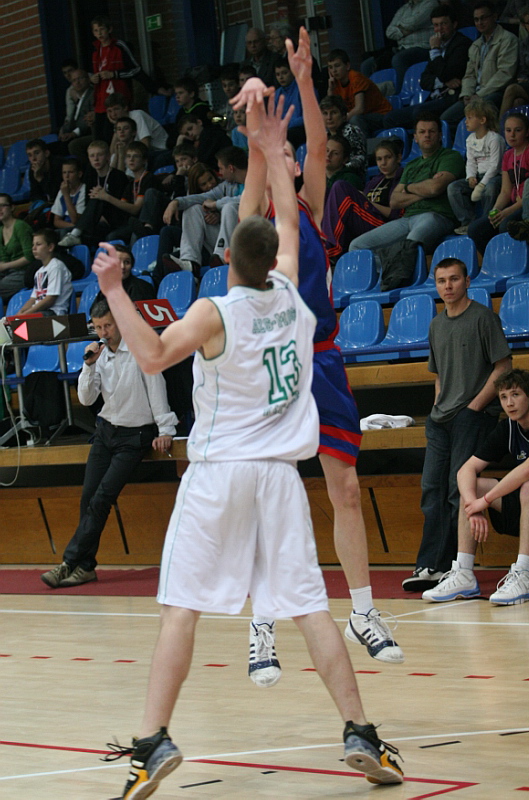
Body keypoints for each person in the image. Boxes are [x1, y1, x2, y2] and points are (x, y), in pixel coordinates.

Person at [93, 91, 404, 799]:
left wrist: (113, 289)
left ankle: (153, 740)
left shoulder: (213, 311)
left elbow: (151, 357)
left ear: (228, 255)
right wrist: (267, 146)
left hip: (219, 475)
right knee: (310, 608)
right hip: (279, 479)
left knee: (181, 608)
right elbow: (288, 221)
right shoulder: (293, 296)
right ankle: (360, 732)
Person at [233, 28, 405, 680]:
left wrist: (304, 81)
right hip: (274, 364)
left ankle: (362, 611)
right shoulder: (254, 216)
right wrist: (258, 124)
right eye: (281, 152)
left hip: (324, 359)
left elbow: (319, 142)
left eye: (293, 152)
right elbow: (261, 164)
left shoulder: (309, 204)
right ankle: (261, 625)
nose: (291, 156)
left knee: (347, 490)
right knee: (269, 498)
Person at [41, 296, 177, 590]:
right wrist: (88, 366)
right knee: (88, 498)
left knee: (102, 499)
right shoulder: (99, 355)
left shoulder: (139, 348)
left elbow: (157, 388)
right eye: (99, 327)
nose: (104, 332)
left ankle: (69, 562)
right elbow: (86, 399)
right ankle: (86, 567)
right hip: (105, 432)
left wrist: (165, 428)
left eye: (108, 326)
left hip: (134, 436)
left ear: (119, 323)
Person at [402, 257, 511, 592]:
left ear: (467, 281)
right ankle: (430, 566)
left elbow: (504, 367)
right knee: (431, 489)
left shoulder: (483, 318)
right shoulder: (436, 325)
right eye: (441, 281)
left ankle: (455, 567)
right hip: (441, 419)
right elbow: (438, 375)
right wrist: (437, 406)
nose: (447, 286)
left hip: (473, 416)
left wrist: (474, 406)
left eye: (453, 279)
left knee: (456, 489)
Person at [422, 367, 529, 606]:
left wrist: (484, 501)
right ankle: (464, 573)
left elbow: (528, 469)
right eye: (503, 397)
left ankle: (524, 574)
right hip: (526, 508)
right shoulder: (508, 428)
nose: (509, 403)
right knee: (471, 486)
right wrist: (472, 506)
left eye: (515, 395)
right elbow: (465, 469)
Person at [349, 113, 465, 281]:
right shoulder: (411, 166)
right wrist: (424, 190)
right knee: (356, 246)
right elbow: (395, 201)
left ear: (440, 135)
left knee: (410, 243)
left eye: (432, 131)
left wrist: (409, 188)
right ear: (415, 137)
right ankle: (392, 268)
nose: (427, 135)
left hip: (437, 216)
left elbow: (435, 188)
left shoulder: (450, 157)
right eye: (422, 132)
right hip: (407, 219)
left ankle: (398, 275)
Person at [380, 4, 471, 130]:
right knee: (390, 118)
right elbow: (424, 80)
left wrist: (435, 50)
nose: (439, 29)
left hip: (451, 99)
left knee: (420, 113)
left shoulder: (462, 44)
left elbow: (446, 74)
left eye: (443, 24)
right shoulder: (438, 46)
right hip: (434, 98)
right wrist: (443, 82)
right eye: (436, 25)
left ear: (454, 24)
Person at [440, 2, 519, 133]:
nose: (480, 22)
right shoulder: (475, 45)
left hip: (496, 92)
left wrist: (479, 95)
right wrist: (466, 94)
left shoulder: (508, 39)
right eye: (476, 19)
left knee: (476, 118)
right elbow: (469, 75)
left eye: (483, 18)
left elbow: (505, 74)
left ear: (494, 17)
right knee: (445, 119)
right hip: (475, 95)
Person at [322, 137, 404, 262]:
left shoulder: (402, 180)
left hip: (385, 225)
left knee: (340, 187)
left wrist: (369, 202)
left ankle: (331, 249)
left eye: (388, 157)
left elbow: (396, 215)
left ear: (398, 158)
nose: (383, 163)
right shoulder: (374, 181)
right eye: (379, 159)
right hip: (366, 221)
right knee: (324, 193)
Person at [169, 146, 247, 275]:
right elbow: (203, 197)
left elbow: (247, 199)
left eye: (221, 168)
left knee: (229, 207)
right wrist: (176, 202)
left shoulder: (258, 180)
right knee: (193, 209)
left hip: (250, 239)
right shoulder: (228, 185)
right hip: (230, 241)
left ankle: (222, 258)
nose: (220, 173)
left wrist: (216, 204)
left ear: (231, 168)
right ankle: (190, 262)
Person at [467, 111, 529, 254]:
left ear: (527, 132)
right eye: (508, 130)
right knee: (475, 229)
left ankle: (519, 260)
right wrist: (495, 211)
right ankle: (494, 261)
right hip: (513, 205)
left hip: (527, 205)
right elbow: (505, 191)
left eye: (518, 130)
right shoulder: (508, 155)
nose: (512, 135)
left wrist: (507, 211)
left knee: (505, 225)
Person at [447, 99, 506, 234]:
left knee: (490, 188)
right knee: (453, 188)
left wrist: (482, 185)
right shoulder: (470, 140)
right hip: (478, 177)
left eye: (469, 118)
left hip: (495, 176)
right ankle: (468, 222)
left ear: (482, 120)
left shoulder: (495, 139)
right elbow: (471, 162)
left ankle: (487, 223)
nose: (465, 121)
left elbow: (495, 165)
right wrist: (471, 177)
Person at [58, 140, 129, 248]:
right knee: (64, 233)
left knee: (98, 197)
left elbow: (122, 207)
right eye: (92, 156)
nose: (96, 159)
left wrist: (104, 197)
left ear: (108, 156)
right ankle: (74, 238)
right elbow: (88, 207)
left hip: (116, 221)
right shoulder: (90, 177)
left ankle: (75, 234)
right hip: (98, 223)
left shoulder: (118, 176)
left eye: (99, 155)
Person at [361, 0, 435, 86]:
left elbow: (413, 23)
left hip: (423, 47)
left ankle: (401, 92)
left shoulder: (431, 3)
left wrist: (399, 27)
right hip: (402, 48)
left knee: (399, 59)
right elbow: (389, 32)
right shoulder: (404, 8)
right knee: (367, 65)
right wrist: (406, 29)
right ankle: (370, 93)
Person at [326, 49, 392, 136]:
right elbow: (330, 109)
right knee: (329, 123)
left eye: (337, 66)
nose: (334, 70)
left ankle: (362, 145)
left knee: (354, 120)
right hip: (362, 116)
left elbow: (359, 109)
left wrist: (341, 120)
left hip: (381, 114)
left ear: (347, 66)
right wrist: (330, 89)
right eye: (330, 67)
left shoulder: (356, 78)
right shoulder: (335, 83)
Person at [16, 229, 72, 316]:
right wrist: (19, 314)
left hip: (54, 313)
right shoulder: (39, 272)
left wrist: (26, 314)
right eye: (33, 245)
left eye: (38, 244)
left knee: (25, 322)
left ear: (50, 247)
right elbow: (33, 299)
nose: (34, 248)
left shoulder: (56, 267)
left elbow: (50, 299)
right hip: (40, 313)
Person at [319, 96, 366, 182]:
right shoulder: (324, 136)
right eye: (325, 113)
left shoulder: (352, 131)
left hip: (350, 179)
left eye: (333, 113)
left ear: (344, 116)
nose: (329, 117)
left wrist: (336, 170)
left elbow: (359, 159)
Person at [499, 3, 529, 118]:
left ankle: (499, 126)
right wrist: (522, 79)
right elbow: (523, 70)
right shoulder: (524, 44)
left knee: (512, 89)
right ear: (524, 25)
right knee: (517, 103)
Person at [0, 193, 34, 301]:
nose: (0, 209)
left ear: (12, 207)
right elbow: (4, 258)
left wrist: (5, 266)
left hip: (24, 272)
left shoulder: (20, 226)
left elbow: (30, 256)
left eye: (3, 205)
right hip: (8, 272)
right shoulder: (0, 230)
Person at [51, 158, 87, 233]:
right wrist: (73, 226)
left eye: (70, 172)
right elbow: (56, 221)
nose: (67, 176)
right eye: (64, 172)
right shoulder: (62, 191)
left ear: (79, 174)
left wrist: (66, 195)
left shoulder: (84, 190)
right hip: (68, 226)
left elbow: (76, 220)